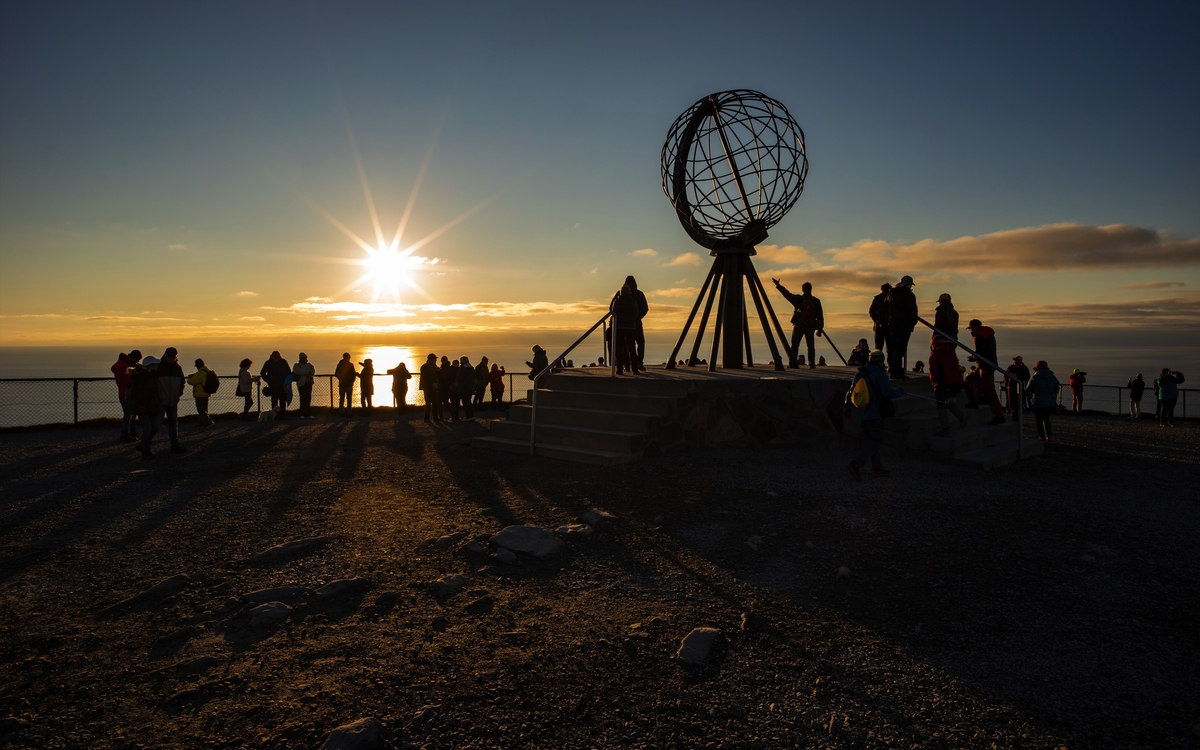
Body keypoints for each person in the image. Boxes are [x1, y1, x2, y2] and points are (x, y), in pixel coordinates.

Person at [845, 350, 905, 480]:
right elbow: (886, 393)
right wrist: (900, 392)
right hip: (875, 413)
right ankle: (856, 463)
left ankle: (877, 468)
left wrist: (847, 409)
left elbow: (851, 393)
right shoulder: (880, 374)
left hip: (862, 413)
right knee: (875, 441)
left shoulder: (860, 374)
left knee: (871, 441)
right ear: (881, 361)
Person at [772, 279, 824, 369]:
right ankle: (812, 364)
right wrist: (820, 329)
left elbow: (787, 294)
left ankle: (793, 363)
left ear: (802, 290)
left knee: (795, 345)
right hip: (811, 326)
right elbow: (820, 316)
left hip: (799, 326)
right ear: (811, 289)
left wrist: (778, 285)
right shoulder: (816, 301)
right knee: (810, 346)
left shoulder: (798, 299)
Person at [966, 319, 1005, 425]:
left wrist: (973, 357)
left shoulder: (978, 336)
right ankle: (974, 401)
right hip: (988, 364)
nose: (970, 331)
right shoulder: (989, 335)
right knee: (970, 379)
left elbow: (980, 352)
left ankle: (999, 415)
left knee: (989, 391)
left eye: (971, 328)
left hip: (985, 366)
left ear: (974, 327)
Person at [927, 336, 968, 436]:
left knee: (941, 405)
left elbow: (934, 372)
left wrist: (934, 383)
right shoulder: (952, 353)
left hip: (944, 384)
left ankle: (946, 429)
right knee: (949, 402)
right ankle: (962, 417)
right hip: (957, 384)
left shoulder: (935, 355)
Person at [611, 276, 649, 371]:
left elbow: (612, 310)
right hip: (634, 323)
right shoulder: (639, 294)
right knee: (639, 342)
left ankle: (626, 364)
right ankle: (638, 362)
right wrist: (638, 317)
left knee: (623, 345)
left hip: (620, 325)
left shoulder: (619, 296)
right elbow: (645, 309)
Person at [129, 356, 163, 459]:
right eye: (155, 364)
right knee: (148, 429)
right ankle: (145, 451)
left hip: (152, 405)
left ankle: (143, 445)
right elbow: (135, 392)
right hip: (143, 407)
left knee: (155, 427)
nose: (157, 366)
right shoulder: (140, 377)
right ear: (150, 366)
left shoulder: (153, 375)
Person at [886, 276, 918, 378]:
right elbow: (912, 311)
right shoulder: (909, 295)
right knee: (900, 350)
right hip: (904, 325)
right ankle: (897, 372)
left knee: (895, 349)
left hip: (892, 326)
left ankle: (894, 370)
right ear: (908, 283)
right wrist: (913, 322)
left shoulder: (890, 294)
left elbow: (885, 309)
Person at [156, 348, 187, 454]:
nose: (171, 358)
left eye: (173, 356)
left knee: (173, 423)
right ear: (165, 355)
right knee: (157, 424)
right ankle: (145, 444)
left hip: (173, 401)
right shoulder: (158, 368)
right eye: (169, 355)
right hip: (161, 401)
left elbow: (182, 382)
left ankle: (174, 444)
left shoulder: (178, 369)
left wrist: (178, 394)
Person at [610, 284, 640, 375]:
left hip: (619, 327)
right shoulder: (633, 302)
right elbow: (636, 314)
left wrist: (614, 298)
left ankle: (619, 369)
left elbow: (612, 311)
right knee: (632, 349)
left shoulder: (617, 301)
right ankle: (635, 369)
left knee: (618, 349)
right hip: (630, 327)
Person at [1027, 360, 1060, 442]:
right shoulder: (1052, 377)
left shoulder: (1035, 377)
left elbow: (1028, 389)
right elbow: (1056, 388)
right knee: (1046, 419)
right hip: (1049, 402)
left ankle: (1042, 436)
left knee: (1039, 420)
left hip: (1037, 402)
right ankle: (1049, 436)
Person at [111, 351, 139, 442]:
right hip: (128, 395)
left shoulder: (118, 369)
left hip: (122, 394)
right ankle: (124, 434)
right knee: (128, 415)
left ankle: (127, 433)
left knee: (128, 414)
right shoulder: (124, 370)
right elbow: (131, 382)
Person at [186, 358, 216, 428]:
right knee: (204, 409)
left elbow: (191, 382)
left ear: (197, 366)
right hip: (206, 393)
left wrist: (189, 378)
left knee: (200, 409)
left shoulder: (200, 373)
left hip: (200, 393)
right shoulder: (207, 371)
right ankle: (201, 423)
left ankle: (208, 422)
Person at [261, 351, 291, 419]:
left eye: (278, 357)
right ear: (272, 356)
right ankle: (274, 415)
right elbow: (262, 373)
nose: (277, 358)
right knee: (274, 400)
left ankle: (282, 413)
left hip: (282, 385)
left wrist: (287, 381)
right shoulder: (268, 363)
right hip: (273, 385)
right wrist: (267, 380)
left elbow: (288, 371)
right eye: (275, 357)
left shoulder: (283, 362)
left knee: (283, 400)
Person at [869, 283, 891, 356]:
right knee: (890, 347)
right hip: (889, 326)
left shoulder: (877, 299)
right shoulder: (891, 299)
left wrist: (877, 321)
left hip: (878, 327)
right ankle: (891, 364)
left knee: (878, 347)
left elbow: (871, 312)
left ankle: (877, 363)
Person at [293, 353, 316, 419]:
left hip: (309, 383)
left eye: (305, 358)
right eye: (304, 358)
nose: (305, 359)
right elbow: (297, 371)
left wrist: (306, 373)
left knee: (308, 398)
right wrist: (306, 372)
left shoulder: (309, 365)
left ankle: (307, 413)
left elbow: (313, 371)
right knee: (303, 398)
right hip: (301, 384)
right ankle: (302, 413)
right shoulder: (297, 365)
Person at [419, 354, 440, 422]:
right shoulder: (424, 367)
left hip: (434, 387)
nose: (435, 361)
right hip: (427, 387)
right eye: (434, 359)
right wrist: (432, 383)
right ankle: (426, 418)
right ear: (430, 359)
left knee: (435, 402)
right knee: (428, 402)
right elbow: (425, 378)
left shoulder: (434, 367)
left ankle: (435, 417)